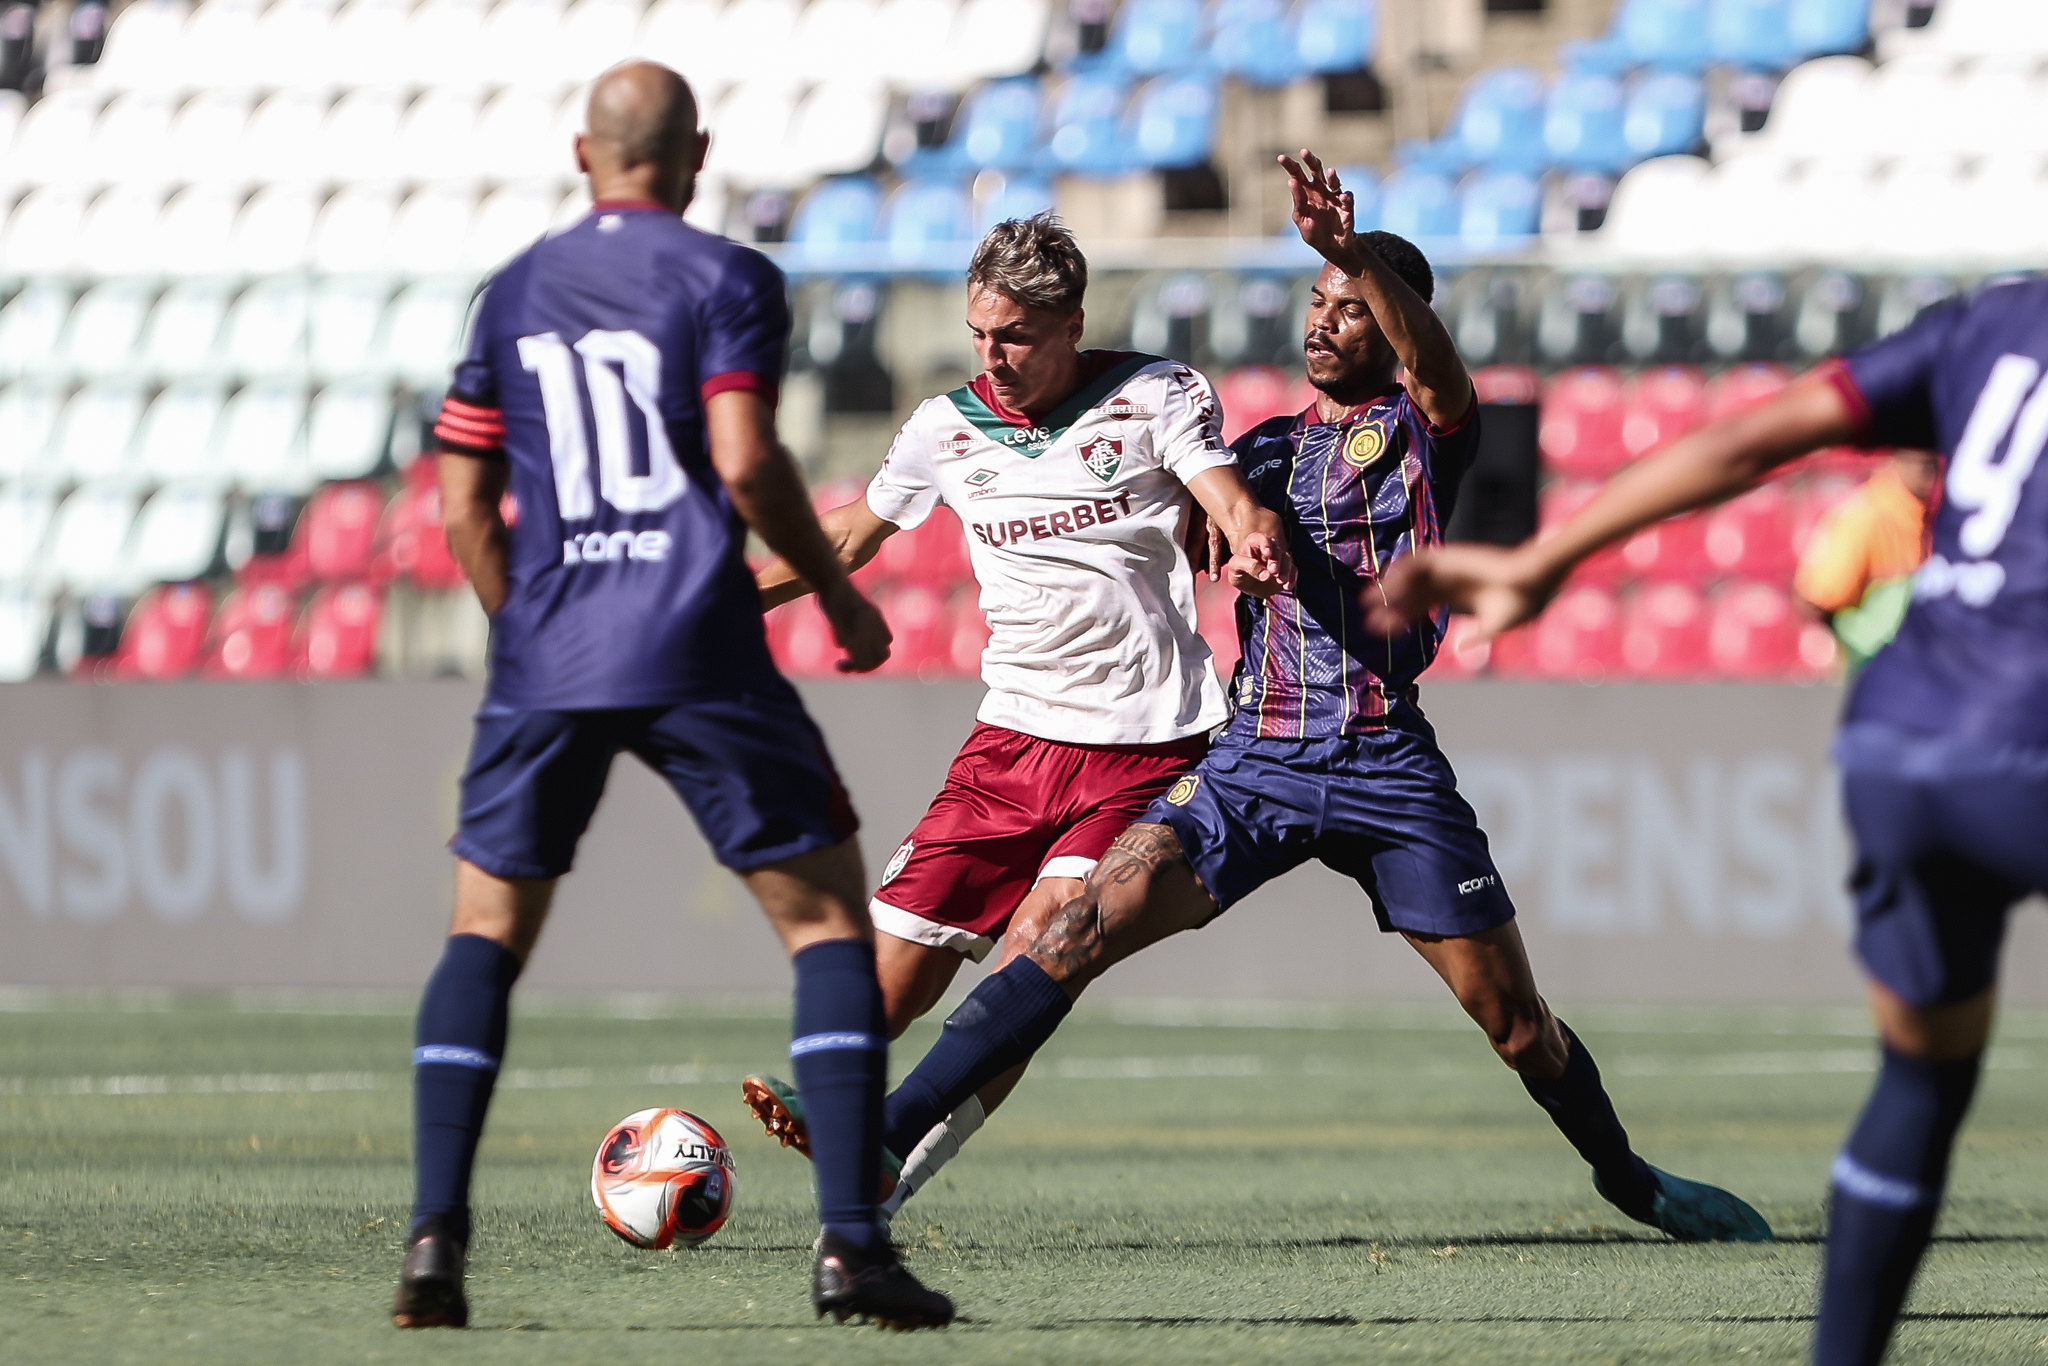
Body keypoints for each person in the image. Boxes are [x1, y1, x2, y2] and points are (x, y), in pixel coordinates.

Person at [742, 151, 1772, 1245]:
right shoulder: (1265, 446)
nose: (1326, 321)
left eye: (1352, 309)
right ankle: (892, 1127)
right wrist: (1215, 522)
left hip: (1384, 763)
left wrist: (1353, 253)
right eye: (1318, 302)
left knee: (1515, 1025)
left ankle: (1623, 1174)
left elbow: (1436, 376)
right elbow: (1198, 499)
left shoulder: (1429, 430)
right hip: (1251, 758)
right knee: (1078, 923)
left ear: (1390, 317)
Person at [1373, 273, 2048, 1366]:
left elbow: (1750, 436)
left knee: (1922, 1077)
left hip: (1907, 732)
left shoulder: (1999, 316)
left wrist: (1544, 559)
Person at [391, 61, 952, 1331]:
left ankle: (435, 1239)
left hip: (550, 644)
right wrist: (843, 597)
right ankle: (852, 1250)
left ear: (583, 154)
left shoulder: (512, 292)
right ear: (692, 155)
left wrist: (526, 633)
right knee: (820, 928)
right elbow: (746, 459)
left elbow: (466, 503)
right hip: (693, 634)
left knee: (483, 932)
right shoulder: (725, 276)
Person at [744, 213, 1292, 1220]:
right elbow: (858, 531)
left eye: (1015, 338)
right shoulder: (943, 427)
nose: (991, 357)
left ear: (1071, 324)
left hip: (1143, 744)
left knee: (1037, 956)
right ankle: (837, 1112)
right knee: (889, 988)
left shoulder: (1155, 393)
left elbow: (1218, 485)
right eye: (979, 334)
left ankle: (882, 1181)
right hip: (1010, 743)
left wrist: (1247, 524)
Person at [1794, 448, 1939, 671]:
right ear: (1895, 460)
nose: (1927, 473)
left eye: (1933, 466)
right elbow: (1817, 598)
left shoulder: (1930, 518)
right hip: (1868, 663)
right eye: (1921, 464)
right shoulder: (1865, 517)